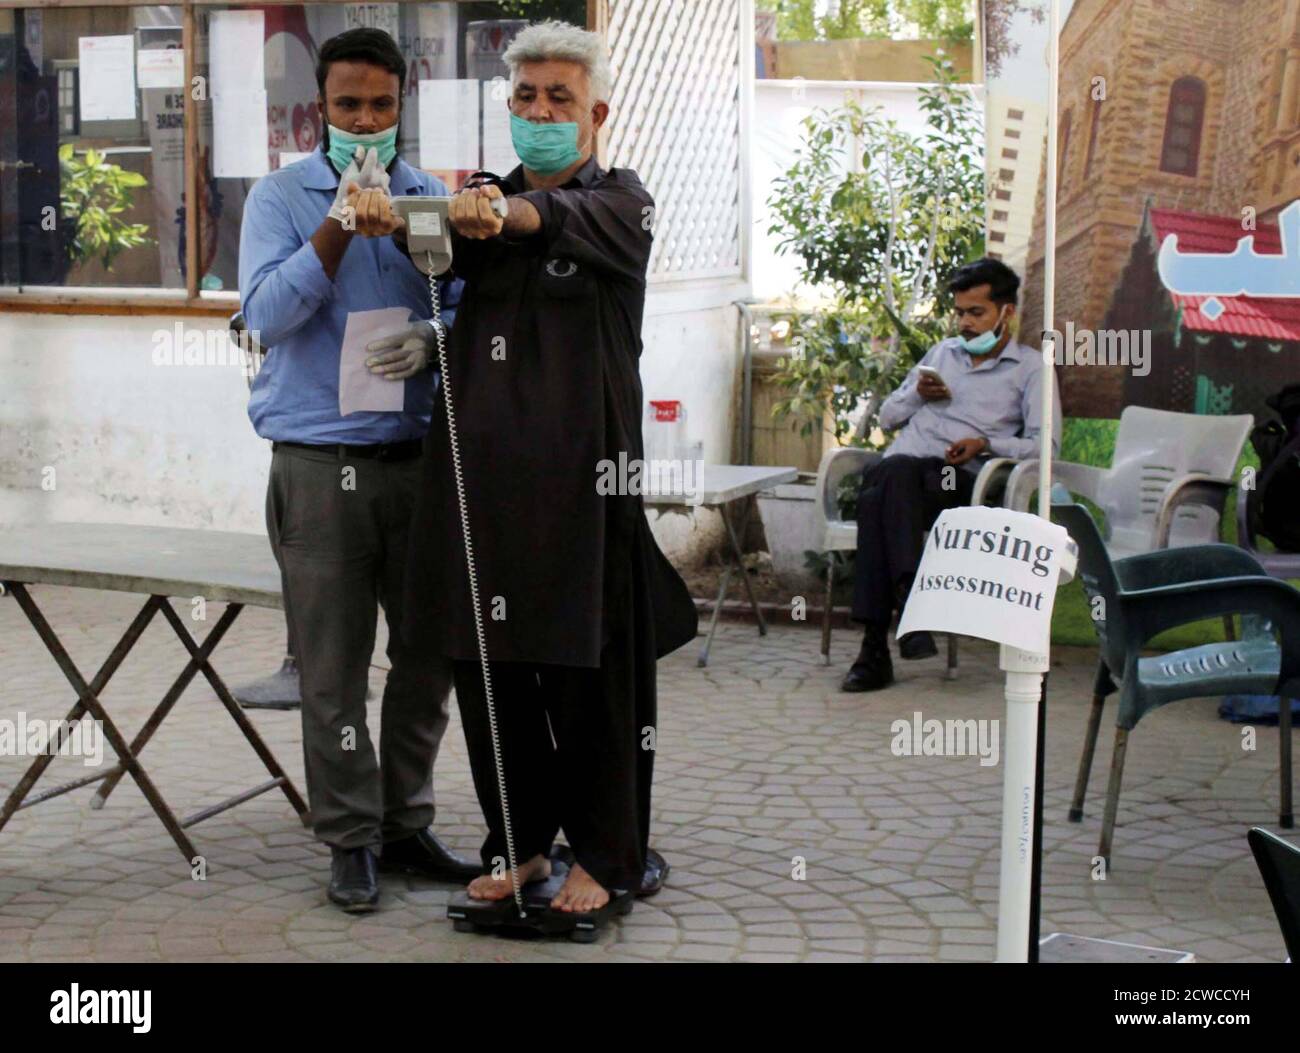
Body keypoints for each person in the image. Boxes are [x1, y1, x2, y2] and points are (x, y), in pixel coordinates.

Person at [402, 20, 697, 915]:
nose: (539, 111)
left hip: (584, 486)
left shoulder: (621, 203)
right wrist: (388, 220)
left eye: (557, 98)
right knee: (487, 666)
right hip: (477, 482)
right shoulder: (475, 207)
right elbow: (432, 249)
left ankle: (607, 854)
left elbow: (540, 216)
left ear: (594, 112)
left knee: (591, 674)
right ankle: (522, 843)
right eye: (525, 96)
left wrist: (504, 212)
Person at [238, 28, 479, 911]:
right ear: (321, 111)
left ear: (401, 104)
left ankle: (405, 819)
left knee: (428, 656)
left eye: (382, 106)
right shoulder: (279, 195)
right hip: (318, 464)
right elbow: (260, 315)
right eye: (349, 107)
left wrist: (436, 336)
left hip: (416, 461)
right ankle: (348, 836)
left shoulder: (429, 197)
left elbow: (460, 301)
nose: (367, 122)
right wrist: (338, 223)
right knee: (334, 667)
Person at [841, 258, 1061, 693]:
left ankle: (874, 649)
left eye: (975, 313)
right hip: (902, 477)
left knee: (880, 492)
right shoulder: (943, 354)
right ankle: (908, 606)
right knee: (889, 481)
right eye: (959, 312)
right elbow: (886, 418)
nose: (964, 323)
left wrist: (986, 443)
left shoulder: (1031, 369)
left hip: (954, 481)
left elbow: (1046, 448)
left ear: (1006, 313)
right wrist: (916, 396)